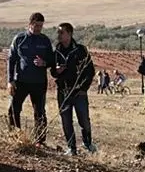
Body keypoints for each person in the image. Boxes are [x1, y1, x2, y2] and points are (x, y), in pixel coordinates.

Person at [7, 12, 55, 147]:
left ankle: (40, 140)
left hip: (39, 83)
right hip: (21, 81)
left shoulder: (45, 41)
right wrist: (10, 81)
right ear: (30, 24)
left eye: (41, 26)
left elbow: (52, 60)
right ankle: (15, 136)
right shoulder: (19, 39)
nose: (38, 28)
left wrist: (44, 63)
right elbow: (11, 60)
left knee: (40, 112)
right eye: (36, 25)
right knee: (13, 109)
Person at [50, 22, 97, 155]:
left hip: (79, 92)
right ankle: (71, 148)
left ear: (69, 34)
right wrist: (56, 71)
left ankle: (88, 144)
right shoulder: (56, 52)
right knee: (66, 120)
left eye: (61, 32)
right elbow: (53, 72)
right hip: (63, 91)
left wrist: (83, 88)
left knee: (84, 119)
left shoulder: (80, 50)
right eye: (58, 32)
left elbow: (90, 71)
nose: (59, 35)